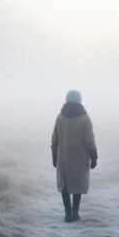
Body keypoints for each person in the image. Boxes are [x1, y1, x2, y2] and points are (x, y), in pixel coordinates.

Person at [51, 90, 98, 222]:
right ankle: (75, 213)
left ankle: (67, 213)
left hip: (63, 158)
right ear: (80, 100)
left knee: (64, 185)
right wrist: (94, 156)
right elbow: (89, 140)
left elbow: (54, 140)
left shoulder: (60, 117)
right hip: (80, 158)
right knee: (78, 184)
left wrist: (54, 156)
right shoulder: (85, 118)